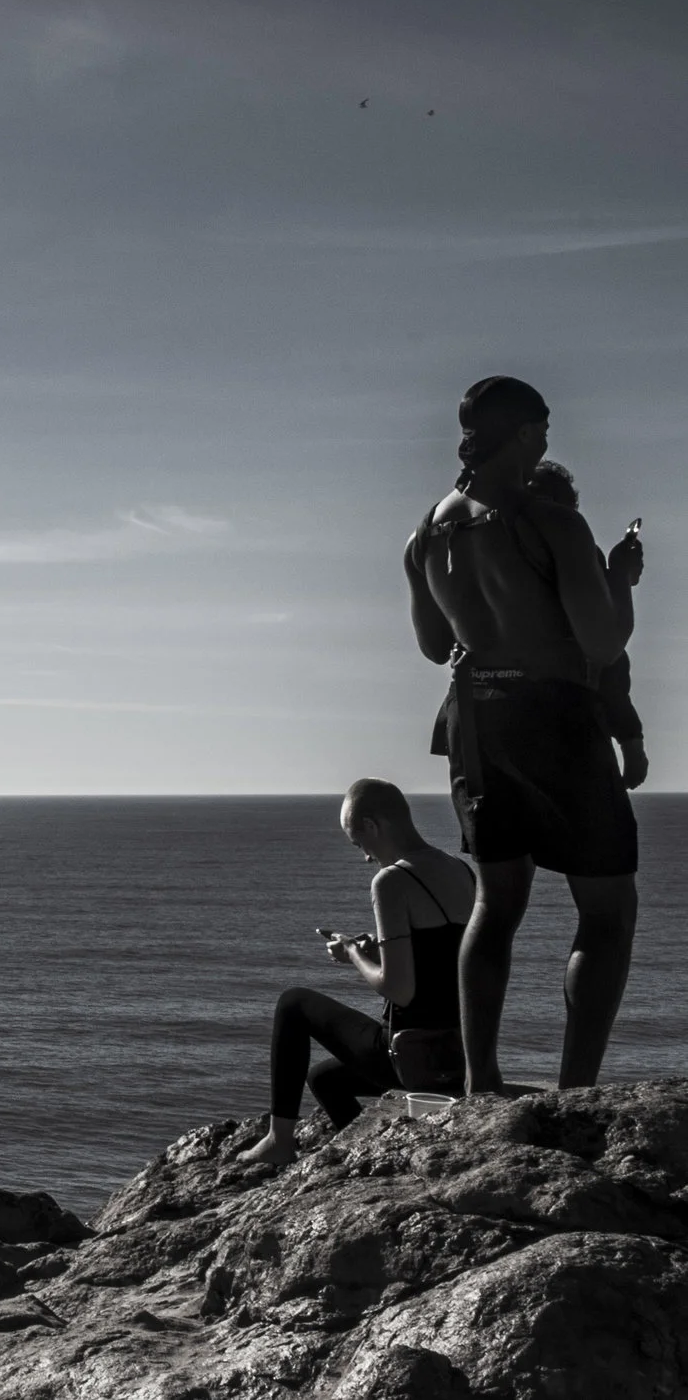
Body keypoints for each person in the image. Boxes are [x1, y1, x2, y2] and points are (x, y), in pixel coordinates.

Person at [404, 376, 645, 1094]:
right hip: (553, 720)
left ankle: (483, 1082)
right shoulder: (553, 522)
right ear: (526, 434)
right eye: (542, 429)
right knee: (608, 909)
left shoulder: (425, 535)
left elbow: (430, 643)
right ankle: (575, 1095)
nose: (546, 439)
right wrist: (619, 579)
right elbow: (599, 642)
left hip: (476, 724)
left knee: (496, 901)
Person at [238, 779, 476, 1165]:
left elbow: (399, 991)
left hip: (409, 1056)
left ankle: (279, 1140)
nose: (365, 856)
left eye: (358, 842)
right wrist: (377, 948)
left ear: (373, 825)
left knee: (294, 1003)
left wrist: (352, 952)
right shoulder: (460, 870)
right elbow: (441, 959)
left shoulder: (392, 880)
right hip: (458, 1053)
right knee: (324, 1079)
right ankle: (368, 1156)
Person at [528, 459, 649, 792]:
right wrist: (621, 576)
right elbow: (607, 646)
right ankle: (630, 742)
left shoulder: (472, 539)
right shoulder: (570, 541)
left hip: (485, 713)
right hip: (566, 708)